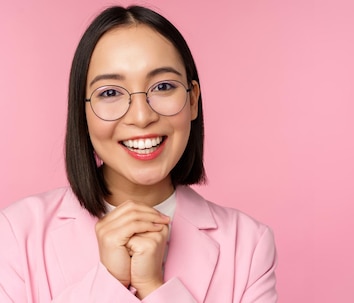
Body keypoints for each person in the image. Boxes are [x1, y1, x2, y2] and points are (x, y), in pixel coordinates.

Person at [0, 5, 277, 302]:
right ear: (82, 112)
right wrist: (109, 283)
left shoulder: (248, 244)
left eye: (163, 86)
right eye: (110, 92)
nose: (142, 116)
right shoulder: (15, 233)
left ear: (193, 100)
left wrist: (154, 288)